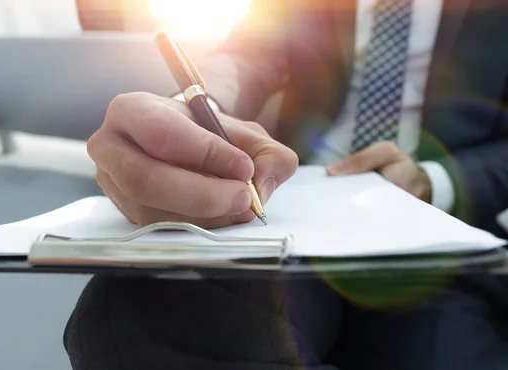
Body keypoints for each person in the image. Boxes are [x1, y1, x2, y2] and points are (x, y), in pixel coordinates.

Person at [64, 0, 508, 369]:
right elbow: (247, 55)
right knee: (148, 319)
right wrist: (196, 107)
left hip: (436, 239)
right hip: (288, 214)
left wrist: (435, 180)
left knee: (446, 352)